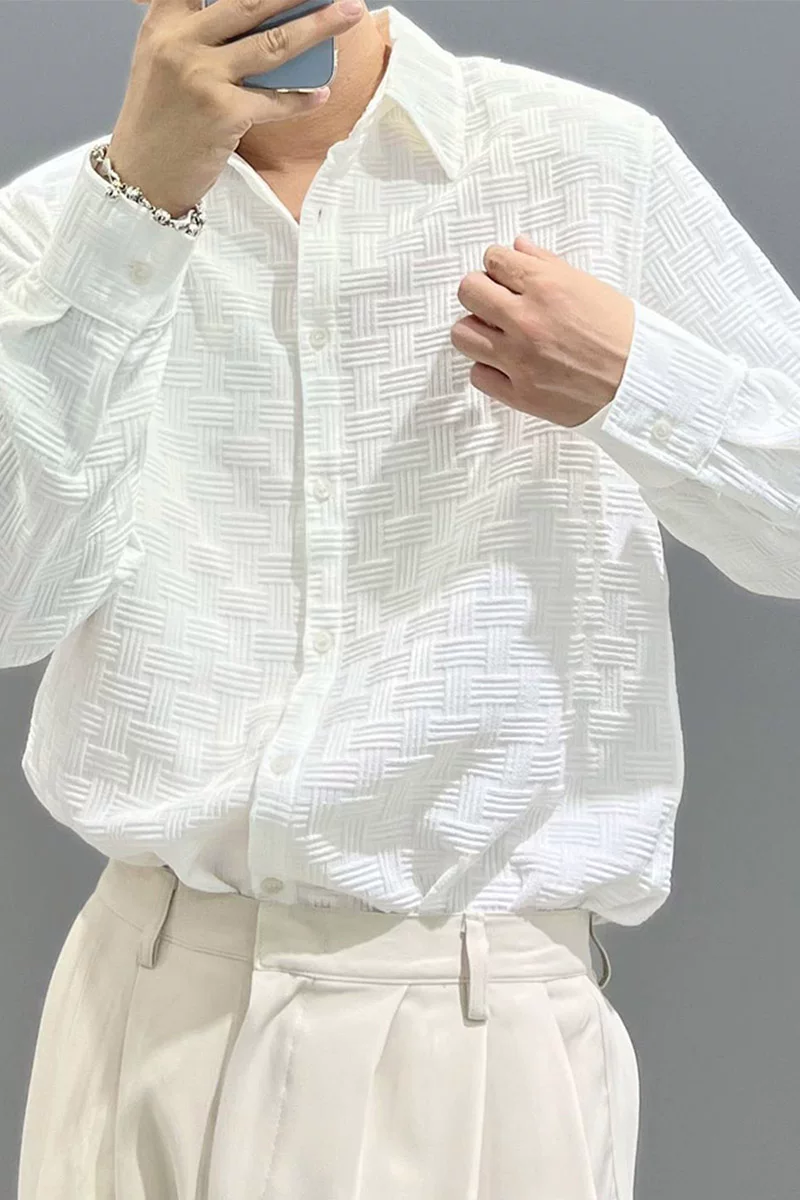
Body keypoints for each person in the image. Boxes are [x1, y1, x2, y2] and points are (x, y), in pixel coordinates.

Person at [4, 0, 800, 1196]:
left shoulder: (585, 162)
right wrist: (134, 216)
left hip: (475, 1026)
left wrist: (631, 380)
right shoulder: (51, 228)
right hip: (146, 1002)